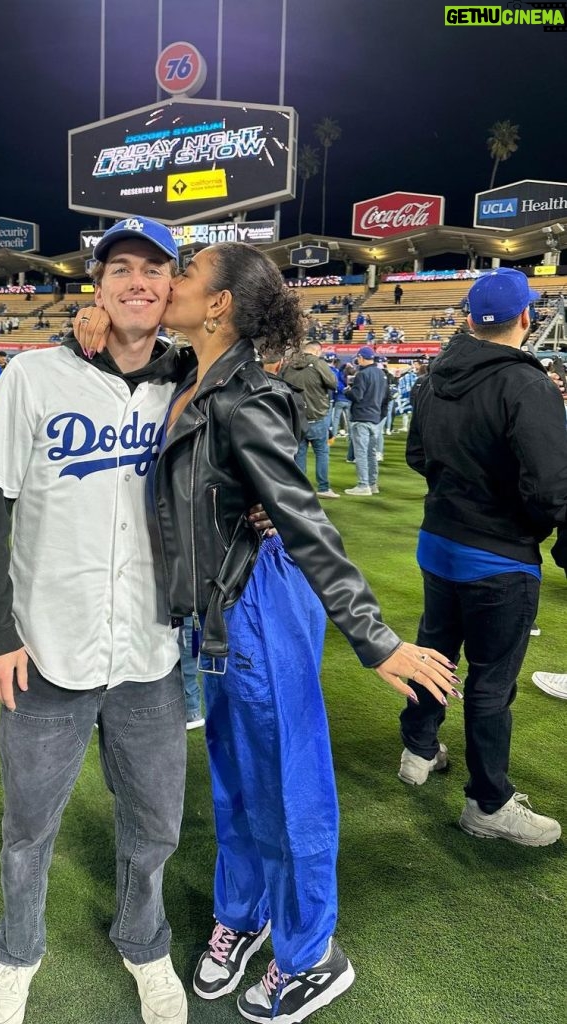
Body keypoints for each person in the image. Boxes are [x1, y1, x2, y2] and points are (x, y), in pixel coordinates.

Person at [139, 242, 458, 1024]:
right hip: (217, 607)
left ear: (219, 304)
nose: (168, 284)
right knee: (235, 778)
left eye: (184, 276)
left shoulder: (247, 397)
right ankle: (243, 917)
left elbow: (304, 520)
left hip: (261, 599)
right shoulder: (186, 377)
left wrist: (374, 637)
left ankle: (311, 953)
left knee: (290, 784)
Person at [0, 218, 193, 1024]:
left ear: (173, 290)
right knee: (28, 825)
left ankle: (145, 942)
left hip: (150, 649)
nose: (136, 281)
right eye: (120, 268)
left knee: (155, 823)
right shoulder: (31, 377)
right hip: (44, 649)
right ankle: (16, 951)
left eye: (153, 271)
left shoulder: (192, 381)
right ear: (96, 286)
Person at [400, 268, 567, 846]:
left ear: (469, 318)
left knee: (434, 653)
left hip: (439, 541)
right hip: (497, 557)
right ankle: (487, 804)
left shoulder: (433, 374)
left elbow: (418, 456)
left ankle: (419, 748)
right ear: (527, 317)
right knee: (492, 684)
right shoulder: (528, 384)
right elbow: (550, 489)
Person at [281, 340, 339, 499]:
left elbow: (280, 385)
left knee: (299, 453)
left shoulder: (289, 364)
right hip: (318, 415)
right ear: (318, 351)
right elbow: (334, 384)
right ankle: (323, 487)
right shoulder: (319, 364)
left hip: (296, 418)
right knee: (322, 453)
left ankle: (301, 490)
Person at [344, 346, 387, 496]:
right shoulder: (381, 373)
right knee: (371, 453)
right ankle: (373, 484)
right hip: (375, 417)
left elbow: (357, 396)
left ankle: (363, 485)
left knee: (361, 453)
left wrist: (347, 391)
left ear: (361, 357)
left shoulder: (362, 374)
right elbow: (385, 397)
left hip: (362, 416)